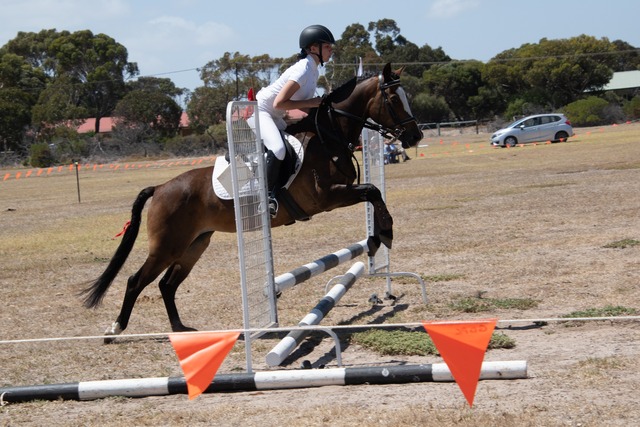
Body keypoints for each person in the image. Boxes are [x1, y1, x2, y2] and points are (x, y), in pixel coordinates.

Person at [251, 24, 335, 218]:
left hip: (275, 116)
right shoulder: (303, 69)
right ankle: (266, 197)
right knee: (279, 149)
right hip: (261, 111)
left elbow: (304, 106)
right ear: (313, 48)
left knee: (296, 149)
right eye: (327, 46)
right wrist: (312, 102)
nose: (331, 50)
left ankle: (289, 198)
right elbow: (280, 103)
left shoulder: (313, 70)